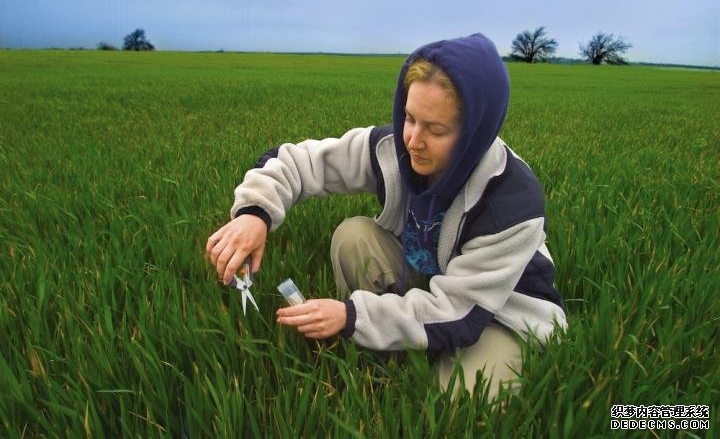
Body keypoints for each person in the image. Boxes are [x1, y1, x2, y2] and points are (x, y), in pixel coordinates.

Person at [206, 33, 567, 400]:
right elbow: (297, 162)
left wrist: (351, 316)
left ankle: (406, 341)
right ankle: (388, 343)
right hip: (431, 280)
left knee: (463, 397)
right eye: (409, 118)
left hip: (497, 313)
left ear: (476, 132)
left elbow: (458, 312)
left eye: (436, 129)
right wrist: (254, 214)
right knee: (354, 235)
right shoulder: (393, 148)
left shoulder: (511, 203)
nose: (412, 140)